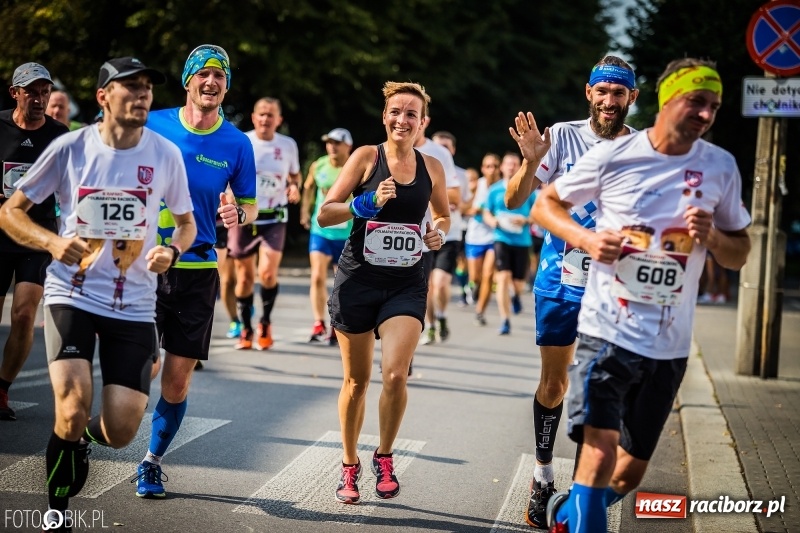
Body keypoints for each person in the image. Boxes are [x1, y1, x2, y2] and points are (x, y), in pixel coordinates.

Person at [529, 58, 751, 533]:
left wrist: (712, 239)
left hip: (668, 343)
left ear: (633, 97)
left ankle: (568, 513)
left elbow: (739, 254)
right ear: (669, 99)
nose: (706, 114)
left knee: (628, 473)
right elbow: (544, 205)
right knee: (599, 448)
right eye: (696, 101)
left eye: (713, 106)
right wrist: (587, 239)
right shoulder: (617, 155)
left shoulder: (720, 166)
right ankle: (568, 499)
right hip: (605, 326)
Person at [0, 57, 196, 530]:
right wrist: (51, 242)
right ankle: (55, 513)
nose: (143, 95)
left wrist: (171, 249)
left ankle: (82, 438)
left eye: (147, 87)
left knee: (122, 427)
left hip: (134, 303)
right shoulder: (70, 148)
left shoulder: (165, 154)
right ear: (104, 96)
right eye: (131, 87)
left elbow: (188, 225)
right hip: (73, 293)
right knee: (70, 405)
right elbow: (11, 212)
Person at [505, 55, 639, 528]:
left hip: (617, 285)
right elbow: (515, 200)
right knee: (554, 383)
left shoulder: (643, 147)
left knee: (607, 386)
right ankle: (543, 475)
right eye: (602, 92)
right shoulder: (560, 136)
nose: (609, 101)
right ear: (589, 93)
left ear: (632, 98)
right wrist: (530, 160)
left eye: (618, 93)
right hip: (560, 278)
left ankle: (587, 485)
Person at [134, 44, 257, 499]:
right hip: (145, 266)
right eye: (203, 74)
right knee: (138, 369)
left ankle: (151, 463)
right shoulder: (154, 122)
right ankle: (88, 434)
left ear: (226, 85)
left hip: (199, 268)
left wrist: (237, 217)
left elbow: (248, 204)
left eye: (219, 77)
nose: (211, 83)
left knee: (178, 378)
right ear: (188, 80)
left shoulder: (237, 143)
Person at [317, 81, 449, 504]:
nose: (402, 120)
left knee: (395, 373)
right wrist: (366, 202)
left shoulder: (432, 167)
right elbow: (326, 213)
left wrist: (437, 233)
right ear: (385, 116)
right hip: (358, 281)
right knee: (357, 381)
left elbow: (443, 213)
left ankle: (385, 456)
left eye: (412, 114)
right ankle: (350, 464)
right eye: (396, 111)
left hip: (406, 284)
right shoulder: (365, 157)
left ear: (423, 122)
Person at [0, 62, 69, 421]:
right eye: (32, 92)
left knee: (24, 314)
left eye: (45, 92)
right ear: (16, 93)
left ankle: (2, 388)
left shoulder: (59, 134)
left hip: (37, 235)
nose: (40, 99)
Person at [229, 97, 301, 350]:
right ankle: (246, 329)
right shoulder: (242, 141)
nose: (265, 119)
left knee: (268, 273)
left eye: (271, 115)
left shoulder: (288, 145)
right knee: (245, 277)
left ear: (278, 120)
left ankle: (265, 323)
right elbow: (230, 175)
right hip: (245, 216)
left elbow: (294, 176)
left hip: (274, 216)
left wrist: (294, 188)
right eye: (261, 114)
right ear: (253, 116)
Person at [300, 127, 354, 344]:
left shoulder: (355, 167)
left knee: (340, 283)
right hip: (320, 230)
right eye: (329, 142)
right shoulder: (319, 164)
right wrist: (305, 210)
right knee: (317, 276)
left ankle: (335, 324)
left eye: (337, 143)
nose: (332, 146)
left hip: (346, 232)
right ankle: (318, 322)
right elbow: (308, 187)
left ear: (348, 146)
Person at [411, 118, 460, 345]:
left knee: (438, 284)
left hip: (444, 234)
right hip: (408, 237)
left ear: (424, 120)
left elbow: (458, 199)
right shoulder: (383, 153)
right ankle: (430, 325)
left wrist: (429, 195)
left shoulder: (439, 156)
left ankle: (439, 317)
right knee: (424, 288)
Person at [483, 152, 530, 336]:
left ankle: (517, 295)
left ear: (519, 167)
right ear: (502, 167)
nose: (511, 167)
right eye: (508, 164)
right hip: (501, 238)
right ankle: (505, 319)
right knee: (502, 278)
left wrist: (525, 220)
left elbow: (538, 213)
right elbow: (487, 212)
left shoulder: (527, 188)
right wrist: (492, 222)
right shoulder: (494, 190)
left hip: (522, 241)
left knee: (517, 283)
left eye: (514, 164)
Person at [465, 153, 502, 326]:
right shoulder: (475, 185)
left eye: (495, 166)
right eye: (488, 166)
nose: (492, 170)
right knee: (476, 277)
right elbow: (464, 208)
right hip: (475, 236)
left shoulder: (505, 187)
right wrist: (477, 209)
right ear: (483, 169)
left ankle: (480, 310)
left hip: (496, 237)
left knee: (488, 275)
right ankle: (473, 287)